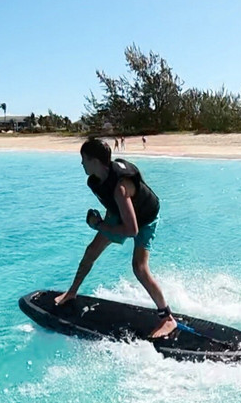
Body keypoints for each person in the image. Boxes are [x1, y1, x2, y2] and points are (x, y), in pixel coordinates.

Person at [55, 137, 177, 338]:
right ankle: (72, 292)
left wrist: (100, 225)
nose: (81, 163)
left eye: (83, 159)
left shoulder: (120, 187)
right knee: (91, 251)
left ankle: (168, 319)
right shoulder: (97, 180)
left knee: (139, 267)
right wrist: (107, 219)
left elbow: (132, 230)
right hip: (122, 215)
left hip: (145, 219)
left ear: (94, 161)